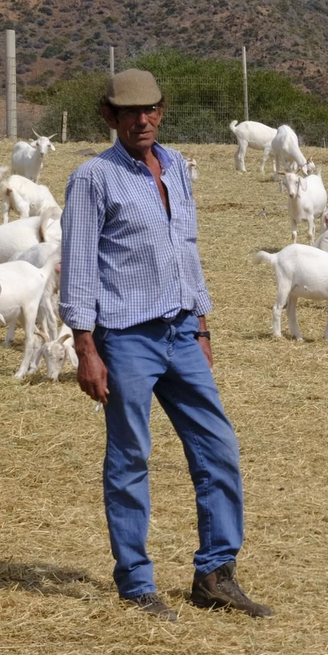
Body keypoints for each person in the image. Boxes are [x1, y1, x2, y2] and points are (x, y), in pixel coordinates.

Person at [59, 69, 272, 622]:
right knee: (131, 456)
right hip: (126, 336)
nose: (142, 120)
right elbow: (79, 264)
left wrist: (201, 325)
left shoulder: (176, 167)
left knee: (218, 446)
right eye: (129, 112)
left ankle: (215, 573)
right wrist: (85, 346)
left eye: (150, 109)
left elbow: (187, 249)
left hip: (181, 330)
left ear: (162, 109)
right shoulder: (93, 179)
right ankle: (135, 581)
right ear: (108, 116)